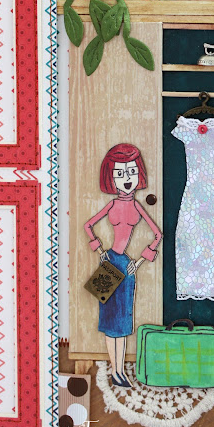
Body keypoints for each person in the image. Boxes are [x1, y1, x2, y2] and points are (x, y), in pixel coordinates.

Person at [84, 143, 162, 387]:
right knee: (110, 322)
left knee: (122, 323)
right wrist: (99, 250)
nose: (126, 179)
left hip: (126, 268)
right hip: (110, 264)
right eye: (119, 173)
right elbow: (88, 225)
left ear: (139, 174)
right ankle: (115, 371)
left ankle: (119, 372)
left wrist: (138, 262)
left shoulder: (136, 205)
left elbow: (157, 235)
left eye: (131, 172)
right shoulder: (112, 205)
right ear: (111, 177)